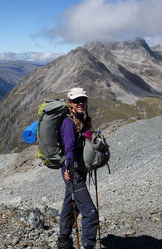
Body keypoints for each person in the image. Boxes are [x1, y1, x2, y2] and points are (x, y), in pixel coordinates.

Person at [57, 87, 99, 249]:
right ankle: (87, 246)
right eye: (76, 100)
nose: (80, 103)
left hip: (76, 170)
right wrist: (69, 169)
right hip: (73, 172)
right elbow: (68, 148)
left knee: (71, 205)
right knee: (90, 214)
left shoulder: (80, 118)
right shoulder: (68, 122)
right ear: (69, 103)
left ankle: (64, 242)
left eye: (83, 100)